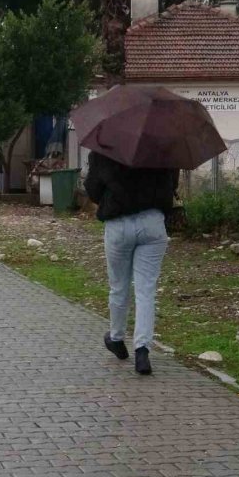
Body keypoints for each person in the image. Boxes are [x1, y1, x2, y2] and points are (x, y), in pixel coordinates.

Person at [84, 151, 179, 375]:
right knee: (146, 290)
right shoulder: (161, 149)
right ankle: (142, 350)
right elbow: (171, 185)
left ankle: (116, 338)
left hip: (118, 223)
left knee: (119, 286)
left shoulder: (105, 148)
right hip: (152, 222)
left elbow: (93, 189)